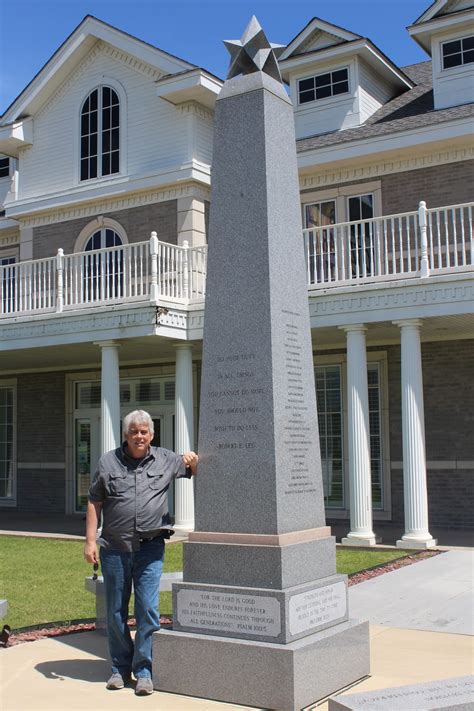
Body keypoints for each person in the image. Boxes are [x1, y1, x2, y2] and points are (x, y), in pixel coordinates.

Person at [84, 409, 198, 696]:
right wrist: (89, 541)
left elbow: (192, 471)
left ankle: (144, 670)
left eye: (144, 431)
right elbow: (94, 502)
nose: (139, 436)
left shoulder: (167, 459)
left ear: (152, 434)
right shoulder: (108, 462)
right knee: (115, 612)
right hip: (114, 548)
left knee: (147, 610)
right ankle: (119, 668)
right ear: (126, 434)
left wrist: (194, 461)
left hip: (150, 549)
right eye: (134, 431)